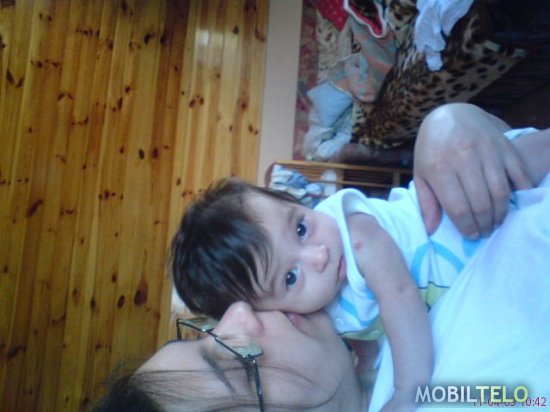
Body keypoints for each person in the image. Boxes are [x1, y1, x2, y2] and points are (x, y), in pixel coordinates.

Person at [95, 103, 549, 411]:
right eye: (234, 362)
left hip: (469, 211)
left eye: (203, 334)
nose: (238, 314)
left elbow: (397, 298)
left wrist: (452, 121)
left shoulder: (353, 236)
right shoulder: (478, 388)